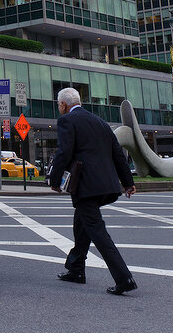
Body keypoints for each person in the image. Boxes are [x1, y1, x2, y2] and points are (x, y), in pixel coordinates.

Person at [49, 87, 137, 295]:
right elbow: (117, 152)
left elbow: (64, 153)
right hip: (105, 184)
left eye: (59, 104)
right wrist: (128, 181)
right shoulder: (99, 121)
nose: (59, 108)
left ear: (63, 104)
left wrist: (54, 180)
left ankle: (124, 278)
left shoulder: (66, 121)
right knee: (82, 224)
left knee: (97, 230)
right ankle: (76, 268)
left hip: (86, 185)